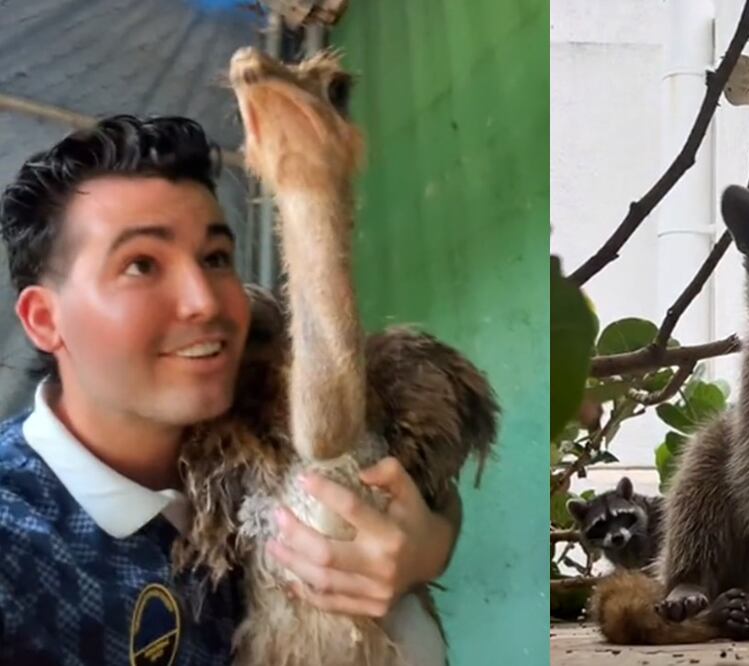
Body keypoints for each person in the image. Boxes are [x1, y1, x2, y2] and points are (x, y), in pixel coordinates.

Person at [0, 115, 458, 665]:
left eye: (215, 258)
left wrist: (429, 544)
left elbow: (415, 473)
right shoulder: (19, 542)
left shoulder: (262, 388)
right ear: (44, 319)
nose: (206, 301)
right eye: (141, 265)